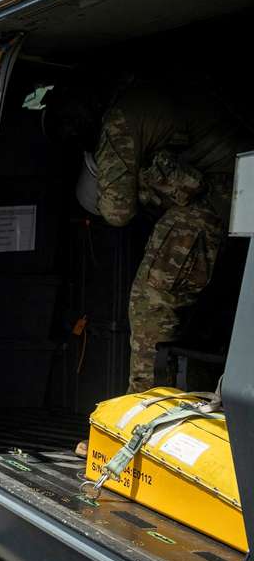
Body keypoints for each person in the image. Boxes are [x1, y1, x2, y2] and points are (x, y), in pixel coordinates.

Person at [76, 78, 246, 392]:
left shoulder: (121, 117)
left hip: (221, 195)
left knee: (151, 300)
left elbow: (116, 211)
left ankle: (147, 404)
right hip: (229, 191)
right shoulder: (149, 95)